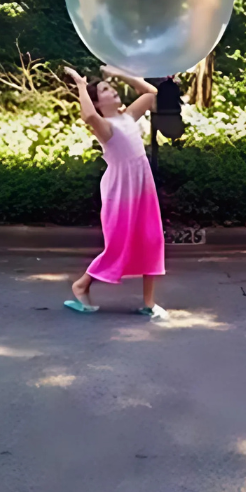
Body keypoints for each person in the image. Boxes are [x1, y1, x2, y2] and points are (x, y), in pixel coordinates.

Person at [63, 65, 167, 319]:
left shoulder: (128, 117)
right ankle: (81, 285)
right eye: (106, 90)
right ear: (99, 102)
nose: (113, 90)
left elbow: (151, 93)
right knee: (118, 244)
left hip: (142, 187)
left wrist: (120, 74)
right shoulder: (105, 126)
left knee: (152, 238)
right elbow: (88, 116)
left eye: (110, 86)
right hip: (120, 191)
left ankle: (149, 303)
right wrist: (80, 84)